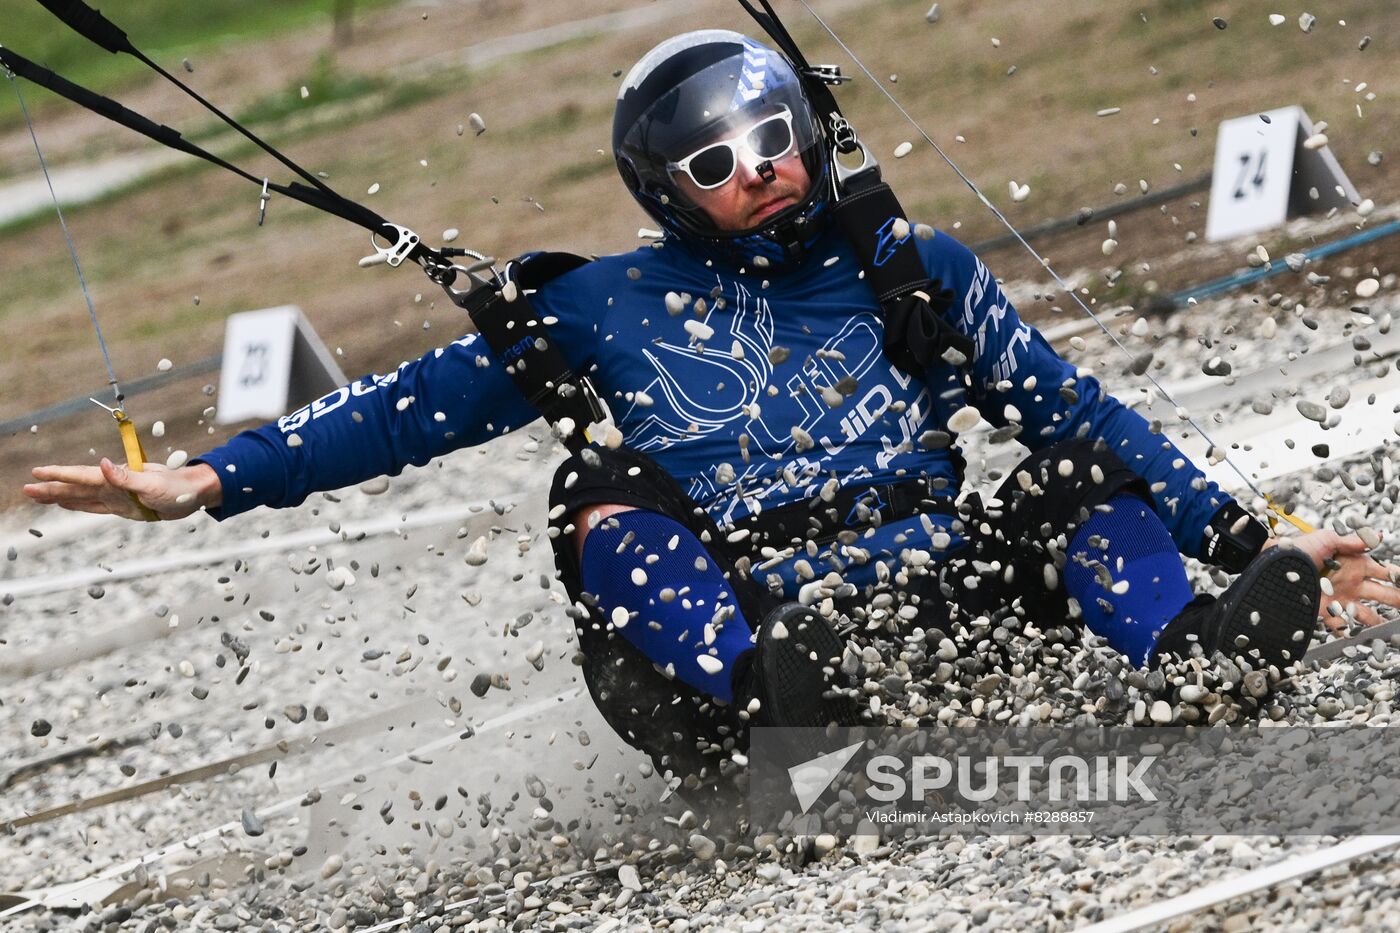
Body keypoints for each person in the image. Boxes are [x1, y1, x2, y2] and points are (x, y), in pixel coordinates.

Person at [23, 31, 1399, 795]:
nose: (762, 173)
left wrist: (1249, 535)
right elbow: (400, 411)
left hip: (924, 612)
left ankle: (1191, 654)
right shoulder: (598, 309)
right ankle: (777, 716)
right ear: (667, 187)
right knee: (597, 498)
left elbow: (1072, 406)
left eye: (777, 140)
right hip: (738, 665)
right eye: (719, 161)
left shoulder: (908, 271)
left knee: (1069, 477)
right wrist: (208, 478)